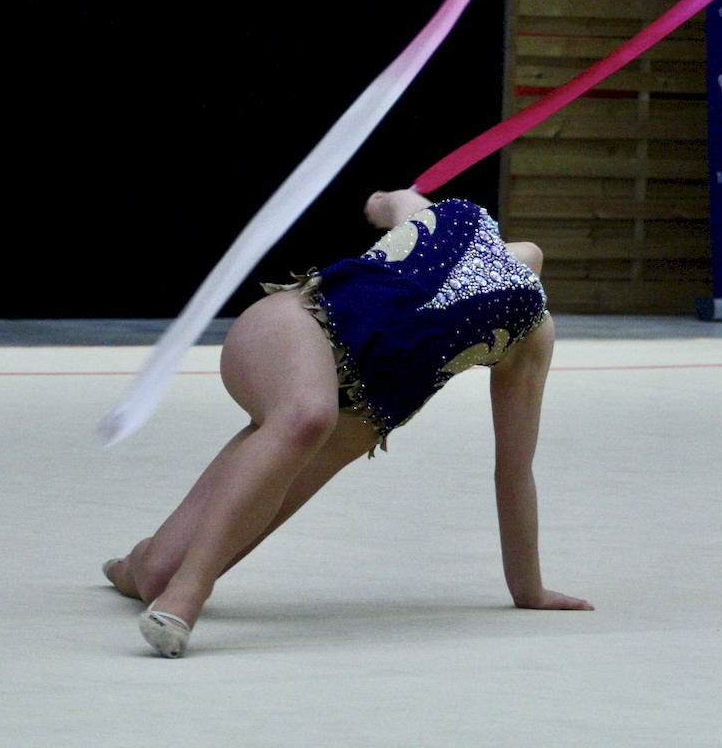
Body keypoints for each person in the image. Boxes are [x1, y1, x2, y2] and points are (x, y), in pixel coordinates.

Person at [101, 189, 592, 657]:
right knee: (306, 416)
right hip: (299, 328)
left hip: (354, 420)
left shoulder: (531, 330)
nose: (531, 256)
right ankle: (187, 597)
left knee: (156, 574)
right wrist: (382, 204)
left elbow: (514, 470)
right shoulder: (459, 217)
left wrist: (528, 589)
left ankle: (131, 569)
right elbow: (391, 201)